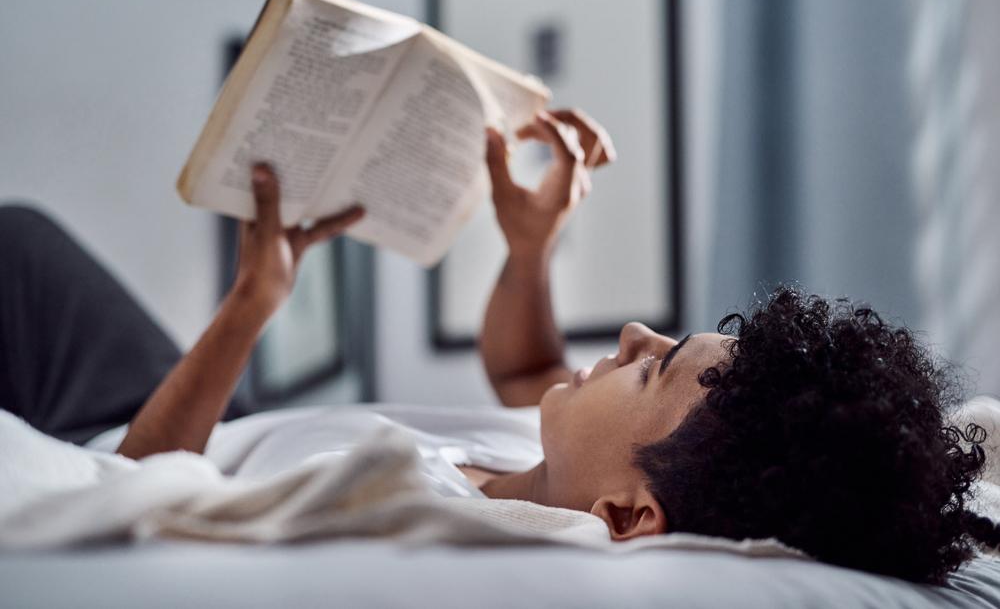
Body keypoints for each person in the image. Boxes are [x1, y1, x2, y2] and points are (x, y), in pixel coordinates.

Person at [0, 108, 997, 585]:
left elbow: (125, 478)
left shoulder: (413, 516)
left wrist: (251, 307)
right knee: (23, 239)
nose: (634, 333)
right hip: (241, 417)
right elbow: (524, 370)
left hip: (138, 427)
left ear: (628, 513)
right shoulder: (567, 464)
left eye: (652, 364)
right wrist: (530, 250)